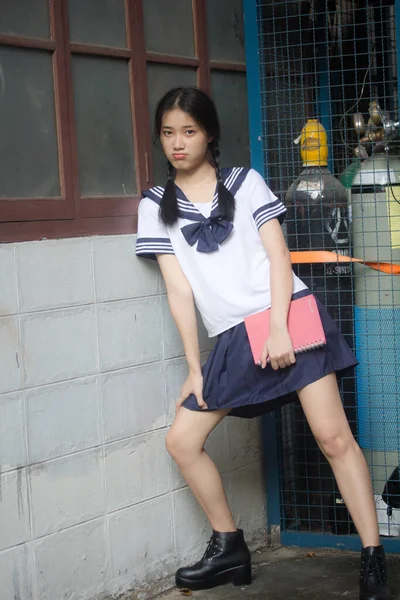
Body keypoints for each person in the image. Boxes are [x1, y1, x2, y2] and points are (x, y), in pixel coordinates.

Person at [136, 86, 390, 600]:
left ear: (209, 134)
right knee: (182, 441)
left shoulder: (245, 182)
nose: (178, 143)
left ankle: (372, 557)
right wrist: (194, 366)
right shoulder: (154, 205)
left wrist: (279, 326)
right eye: (168, 133)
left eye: (189, 131)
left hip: (286, 314)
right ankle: (229, 544)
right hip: (233, 338)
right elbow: (179, 290)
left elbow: (280, 256)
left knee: (332, 438)